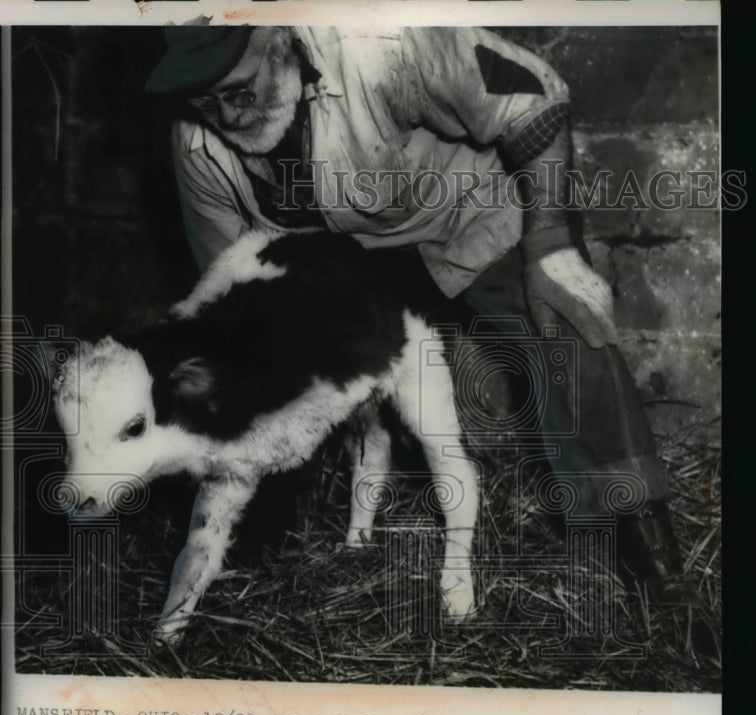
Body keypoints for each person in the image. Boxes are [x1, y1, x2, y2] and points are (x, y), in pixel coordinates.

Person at [144, 25, 697, 608]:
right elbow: (236, 291)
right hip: (346, 271)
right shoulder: (196, 145)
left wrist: (552, 245)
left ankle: (657, 573)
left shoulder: (382, 44)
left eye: (240, 91)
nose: (227, 116)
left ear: (277, 40)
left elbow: (533, 97)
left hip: (471, 221)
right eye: (205, 101)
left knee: (565, 326)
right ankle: (266, 556)